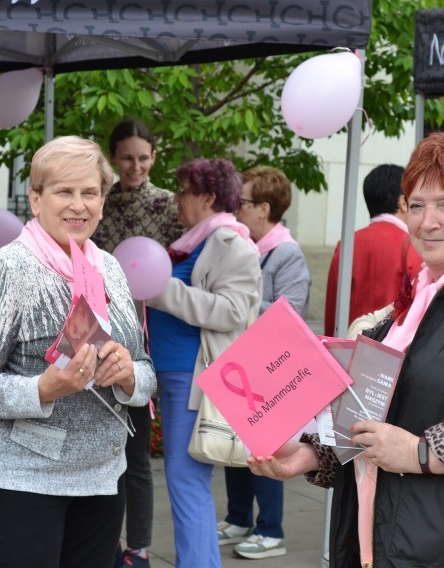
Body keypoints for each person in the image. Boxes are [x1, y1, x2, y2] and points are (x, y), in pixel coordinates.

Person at [248, 132, 444, 567]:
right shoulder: (416, 298)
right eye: (416, 205)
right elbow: (378, 412)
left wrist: (420, 452)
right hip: (377, 537)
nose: (426, 221)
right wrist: (309, 455)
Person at [0, 136, 157, 568]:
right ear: (36, 198)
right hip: (20, 480)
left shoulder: (110, 269)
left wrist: (129, 376)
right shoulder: (7, 270)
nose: (78, 205)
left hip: (101, 477)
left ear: (103, 200)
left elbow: (145, 370)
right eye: (64, 191)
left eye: (90, 193)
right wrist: (42, 390)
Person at [146, 158, 262, 568]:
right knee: (185, 481)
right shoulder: (196, 239)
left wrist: (162, 290)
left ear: (208, 197)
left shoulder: (233, 244)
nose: (178, 200)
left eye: (185, 192)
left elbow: (231, 312)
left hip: (193, 378)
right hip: (175, 374)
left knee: (186, 481)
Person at [92, 118, 184, 568]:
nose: (135, 166)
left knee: (137, 454)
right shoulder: (97, 205)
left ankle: (140, 547)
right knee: (100, 445)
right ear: (113, 158)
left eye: (143, 158)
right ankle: (103, 540)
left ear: (154, 157)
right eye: (127, 158)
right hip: (98, 332)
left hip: (149, 336)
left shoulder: (169, 206)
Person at [217, 166, 311, 559]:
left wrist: (240, 299)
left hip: (271, 369)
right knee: (235, 448)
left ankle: (270, 530)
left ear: (265, 208)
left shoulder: (286, 253)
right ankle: (239, 518)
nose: (236, 209)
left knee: (265, 449)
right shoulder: (243, 246)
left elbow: (291, 312)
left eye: (243, 202)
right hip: (241, 364)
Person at [324, 164, 422, 337]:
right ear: (403, 203)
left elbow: (333, 310)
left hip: (349, 348)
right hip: (391, 350)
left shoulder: (347, 244)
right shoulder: (413, 245)